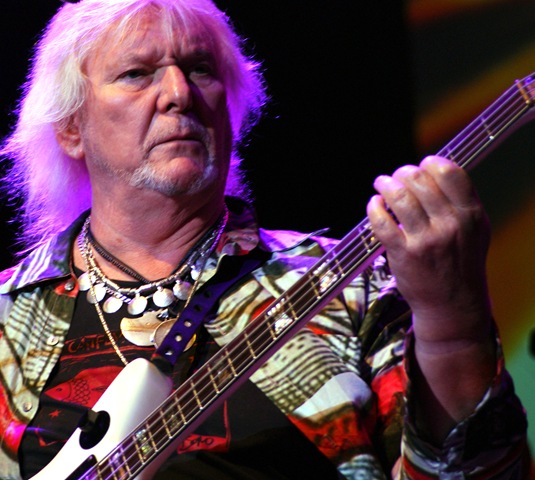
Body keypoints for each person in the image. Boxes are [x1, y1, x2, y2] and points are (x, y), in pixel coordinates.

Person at [0, 0, 529, 478]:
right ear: (71, 128)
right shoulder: (8, 319)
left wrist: (452, 325)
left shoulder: (349, 285)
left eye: (200, 69)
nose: (180, 94)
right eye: (136, 74)